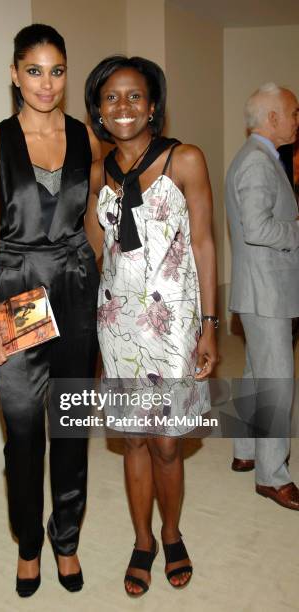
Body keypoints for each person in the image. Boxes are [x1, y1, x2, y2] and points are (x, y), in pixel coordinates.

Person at [0, 24, 100, 597]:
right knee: (22, 434)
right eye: (34, 71)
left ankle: (65, 539)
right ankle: (28, 545)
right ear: (14, 73)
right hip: (17, 291)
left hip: (75, 291)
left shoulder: (84, 137)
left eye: (57, 71)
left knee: (71, 429)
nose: (46, 84)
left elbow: (92, 217)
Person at [84, 56, 218, 597]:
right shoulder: (98, 172)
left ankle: (171, 531)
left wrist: (209, 325)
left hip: (175, 324)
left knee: (166, 443)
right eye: (111, 97)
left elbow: (206, 243)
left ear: (154, 105)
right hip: (118, 325)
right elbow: (101, 246)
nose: (123, 106)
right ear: (98, 109)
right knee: (134, 439)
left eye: (134, 96)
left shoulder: (185, 160)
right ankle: (143, 541)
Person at [226, 82, 299, 511]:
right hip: (267, 291)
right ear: (271, 118)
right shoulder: (257, 162)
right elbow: (258, 229)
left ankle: (245, 451)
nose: (296, 120)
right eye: (292, 112)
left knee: (256, 376)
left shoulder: (256, 158)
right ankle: (273, 477)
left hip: (260, 289)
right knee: (276, 384)